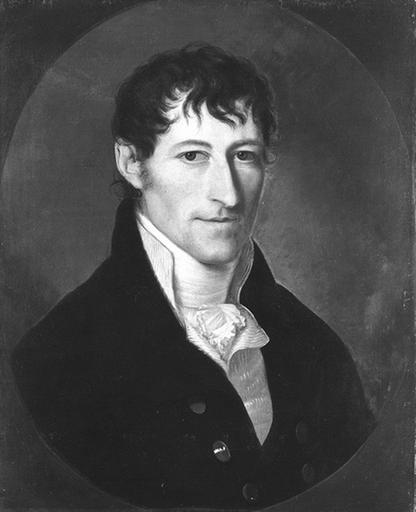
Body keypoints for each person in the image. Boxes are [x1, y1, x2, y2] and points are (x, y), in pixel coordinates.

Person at [11, 44, 375, 509]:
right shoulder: (56, 358)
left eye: (244, 155)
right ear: (132, 163)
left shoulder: (317, 348)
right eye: (192, 156)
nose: (228, 194)